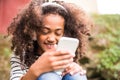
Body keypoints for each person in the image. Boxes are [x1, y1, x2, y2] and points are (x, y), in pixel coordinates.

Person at [7, 0, 92, 80]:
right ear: (34, 31)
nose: (51, 39)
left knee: (76, 76)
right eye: (45, 32)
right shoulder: (22, 55)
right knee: (48, 76)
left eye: (58, 33)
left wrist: (75, 69)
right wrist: (36, 69)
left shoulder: (63, 54)